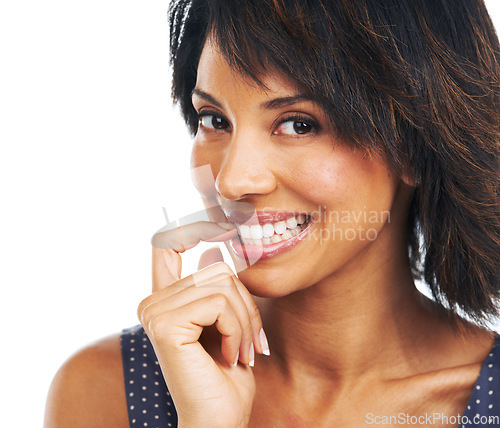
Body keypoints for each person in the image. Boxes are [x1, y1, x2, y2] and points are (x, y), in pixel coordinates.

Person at [44, 0, 500, 426]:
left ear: (415, 145)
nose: (231, 181)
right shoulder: (104, 391)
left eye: (299, 124)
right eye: (214, 119)